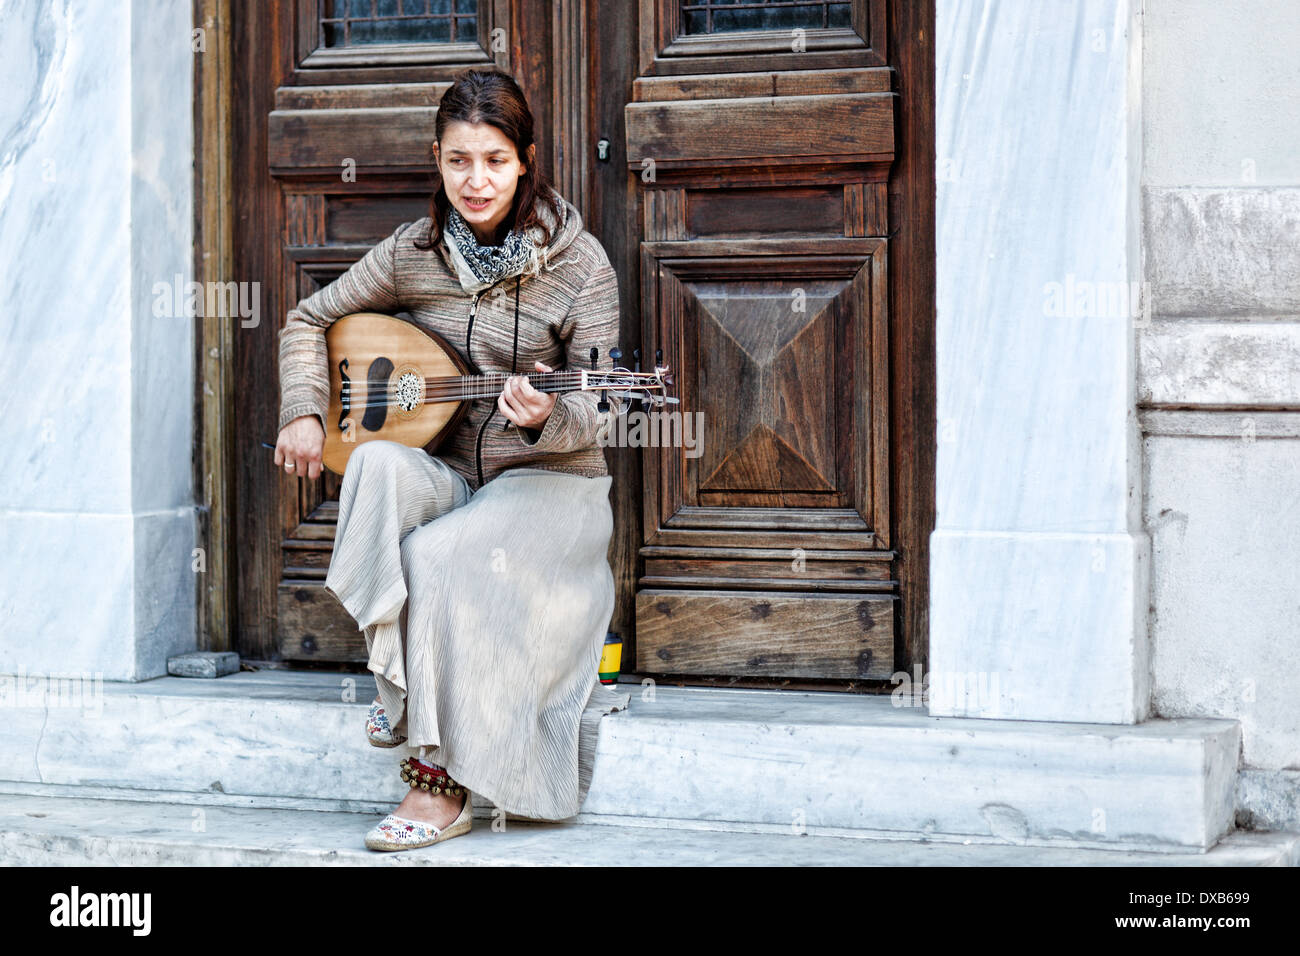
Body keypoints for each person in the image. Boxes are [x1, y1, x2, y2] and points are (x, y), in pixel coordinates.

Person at [274, 68, 630, 852]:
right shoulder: (414, 254)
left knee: (437, 556)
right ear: (437, 160)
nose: (477, 181)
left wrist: (547, 417)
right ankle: (400, 689)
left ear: (525, 161)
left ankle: (436, 784)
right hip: (455, 477)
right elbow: (307, 317)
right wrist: (303, 408)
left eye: (495, 161)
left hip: (552, 490)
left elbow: (603, 401)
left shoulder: (581, 266)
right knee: (372, 466)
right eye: (460, 160)